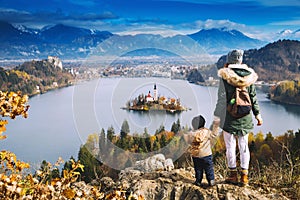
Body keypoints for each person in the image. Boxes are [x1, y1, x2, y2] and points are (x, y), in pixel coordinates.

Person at [213, 49, 263, 186]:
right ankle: (244, 177)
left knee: (230, 147)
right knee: (244, 146)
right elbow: (253, 98)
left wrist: (217, 118)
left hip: (229, 117)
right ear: (241, 60)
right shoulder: (250, 77)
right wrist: (257, 115)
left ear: (229, 60)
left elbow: (221, 101)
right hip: (245, 117)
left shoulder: (225, 77)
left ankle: (233, 175)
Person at [187, 115, 219, 187]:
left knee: (198, 169)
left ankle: (198, 181)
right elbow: (214, 134)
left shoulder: (192, 134)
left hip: (196, 155)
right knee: (209, 168)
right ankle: (211, 180)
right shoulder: (207, 132)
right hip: (206, 155)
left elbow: (188, 141)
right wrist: (216, 126)